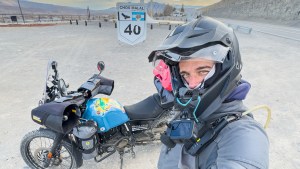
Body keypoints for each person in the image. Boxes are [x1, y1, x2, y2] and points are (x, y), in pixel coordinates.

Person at [148, 16, 269, 169]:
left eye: (203, 71)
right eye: (185, 74)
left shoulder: (245, 134)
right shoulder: (189, 111)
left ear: (224, 70)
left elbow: (242, 161)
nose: (191, 84)